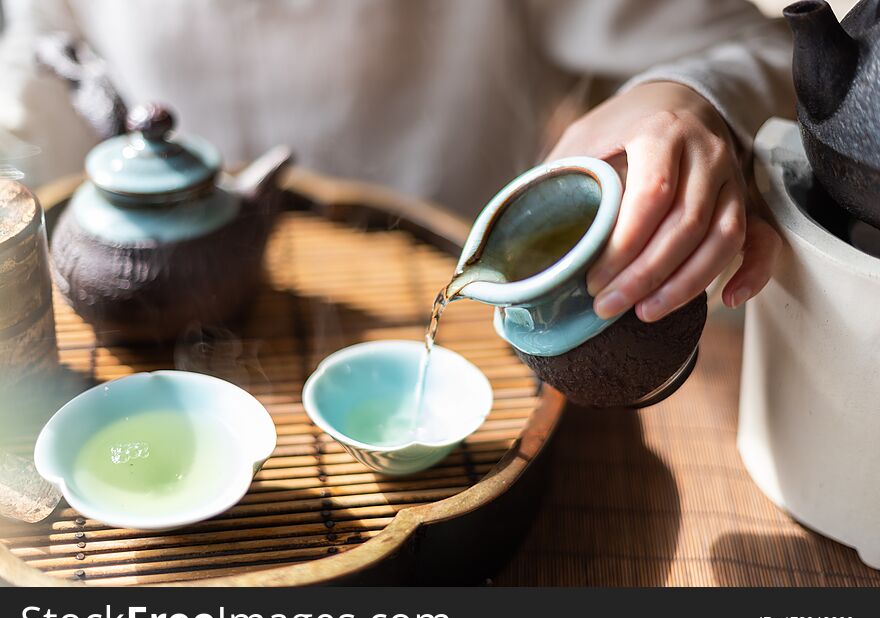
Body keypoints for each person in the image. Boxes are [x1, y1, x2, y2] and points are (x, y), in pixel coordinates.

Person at [0, 0, 794, 322]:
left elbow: (758, 46)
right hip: (157, 324)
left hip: (475, 324)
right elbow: (32, 104)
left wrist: (684, 100)